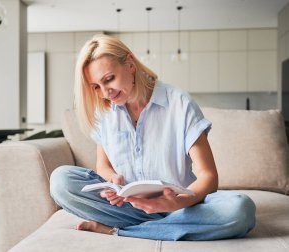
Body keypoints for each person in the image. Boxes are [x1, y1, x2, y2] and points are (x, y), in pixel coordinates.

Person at [50, 34, 256, 241]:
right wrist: (111, 181)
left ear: (130, 63)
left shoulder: (179, 103)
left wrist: (177, 202)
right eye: (96, 87)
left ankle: (119, 231)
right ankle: (166, 229)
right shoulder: (105, 113)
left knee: (240, 209)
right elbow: (103, 166)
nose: (105, 93)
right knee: (61, 181)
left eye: (109, 79)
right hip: (129, 208)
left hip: (181, 208)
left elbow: (208, 177)